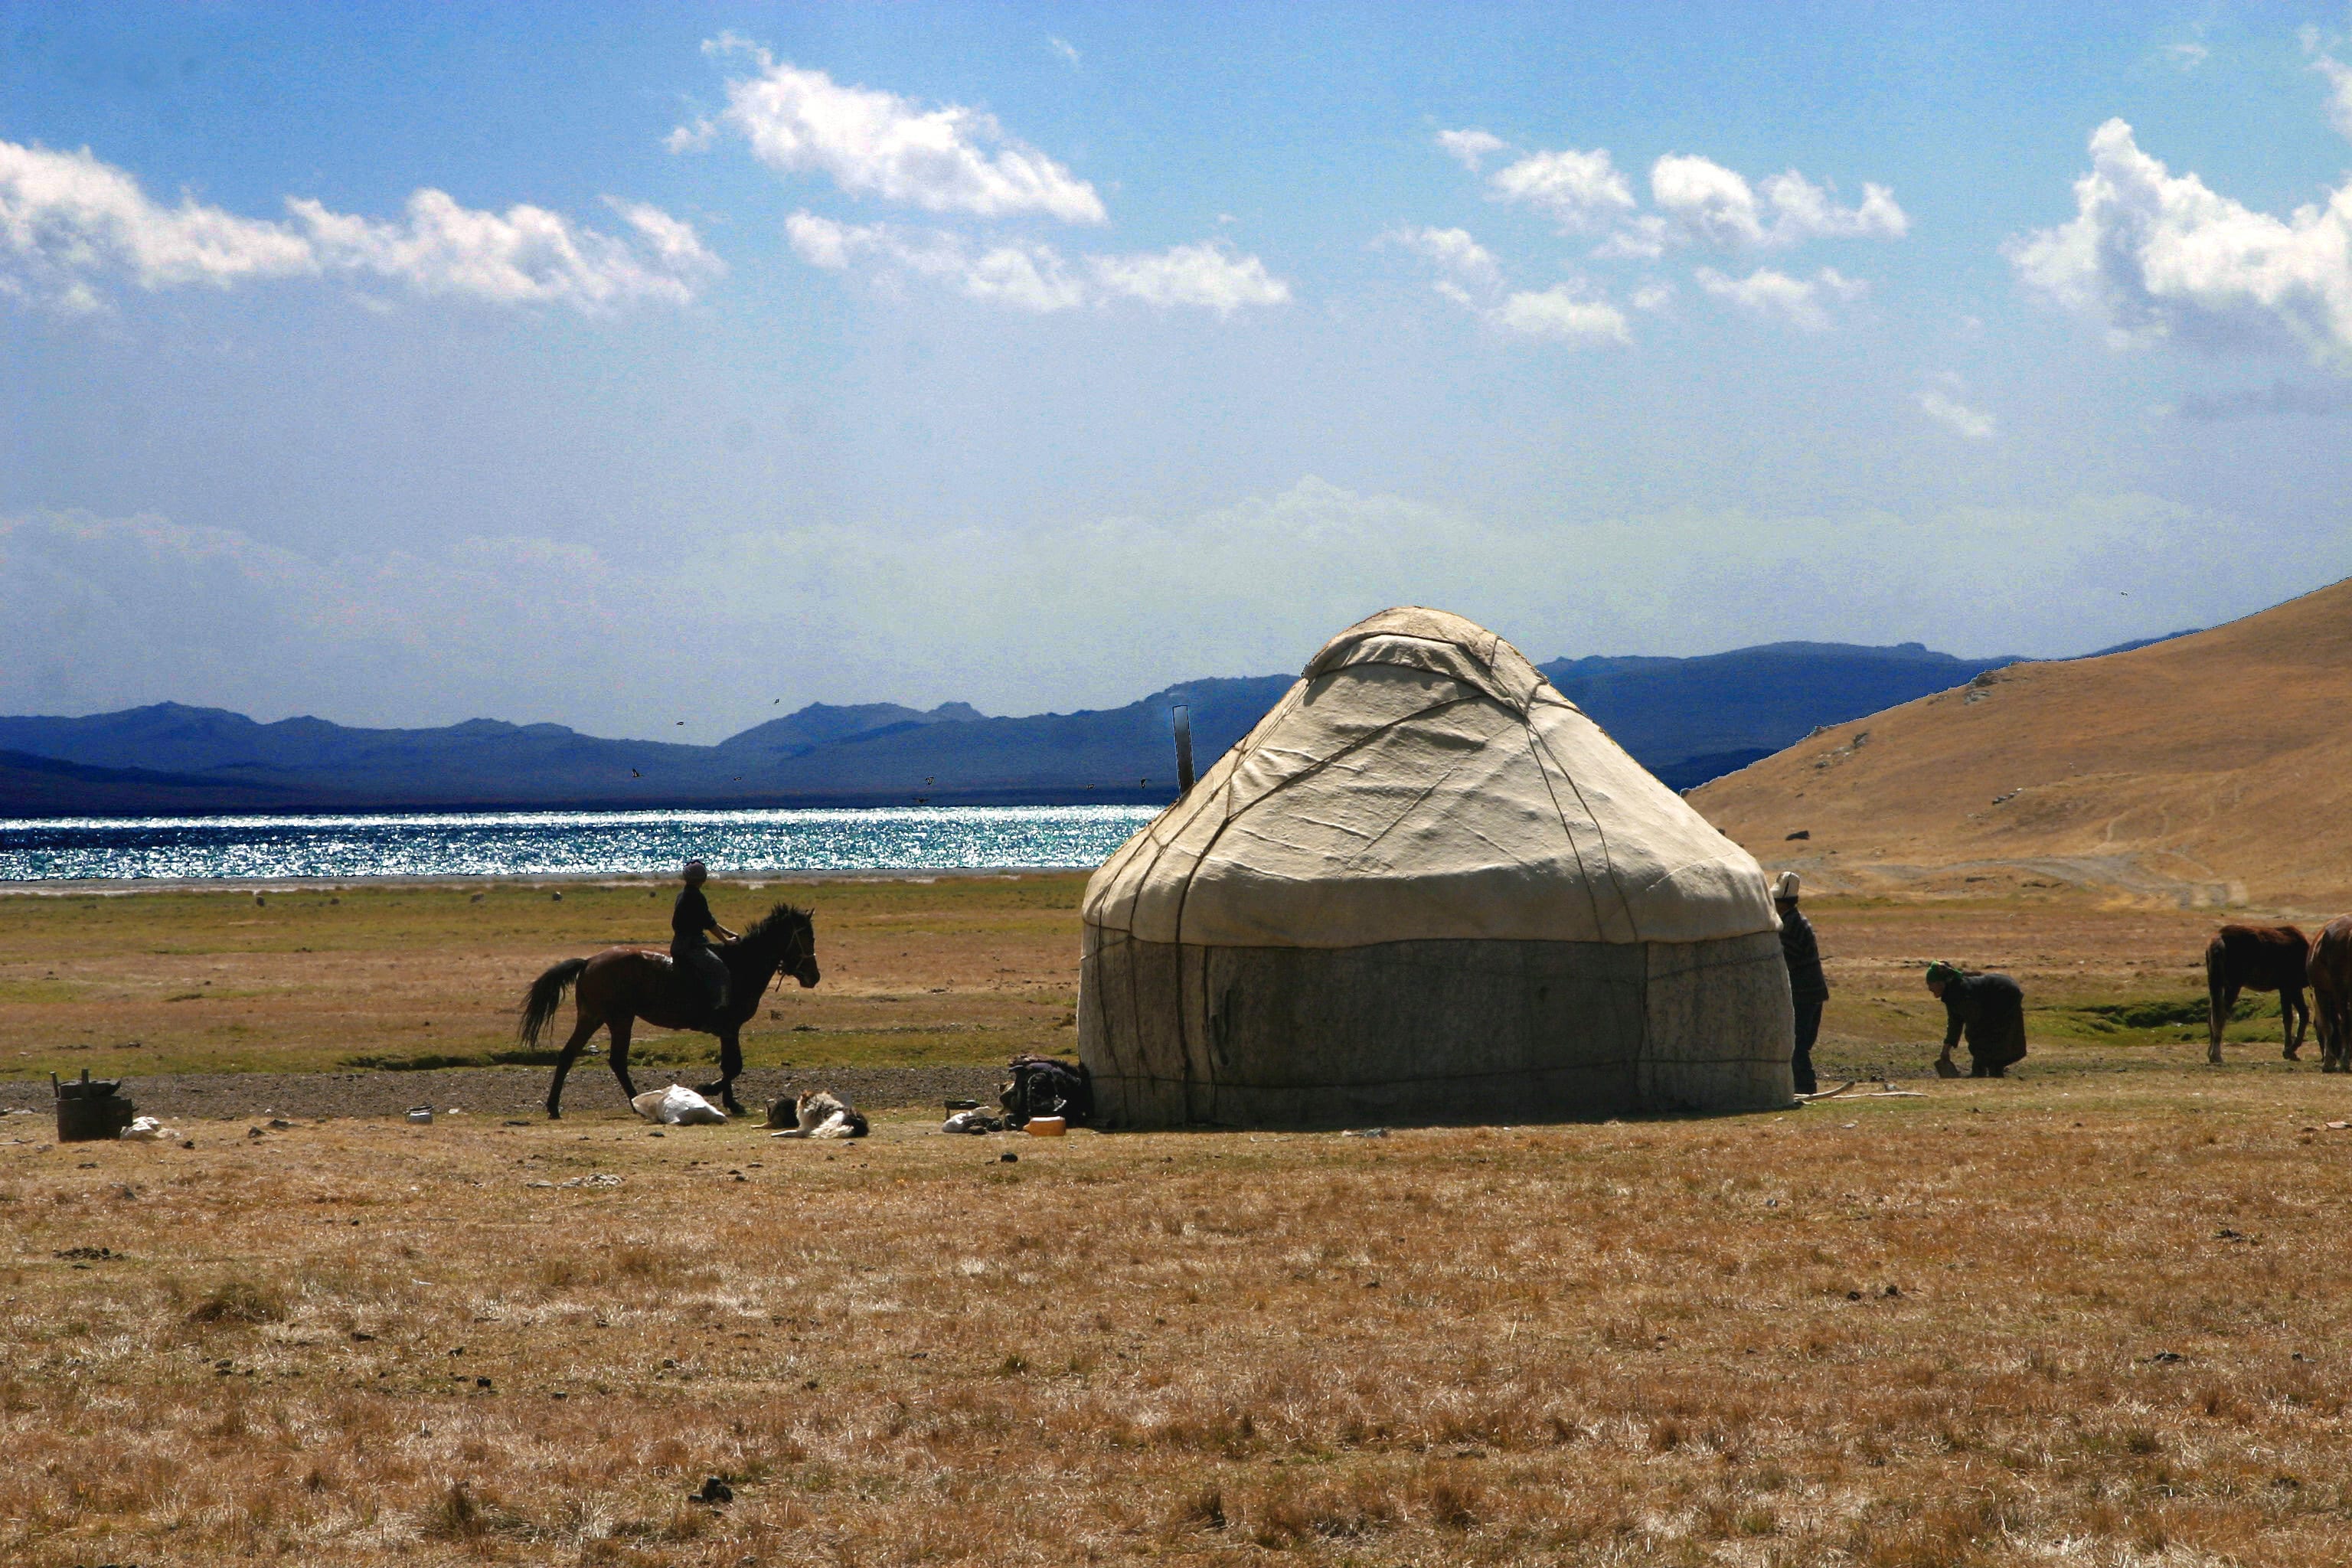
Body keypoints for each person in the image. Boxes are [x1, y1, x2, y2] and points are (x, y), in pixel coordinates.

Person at [1773, 871, 1828, 1094]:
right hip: (1813, 991)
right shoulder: (1796, 920)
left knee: (1798, 1044)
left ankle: (1805, 1088)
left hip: (1804, 992)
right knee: (1801, 1043)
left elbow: (1788, 961)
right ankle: (1803, 1086)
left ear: (1782, 903)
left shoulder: (1789, 925)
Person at [1926, 960, 2027, 1077]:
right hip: (2001, 992)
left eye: (1930, 984)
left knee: (1987, 1033)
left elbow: (1977, 1023)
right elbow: (1955, 1022)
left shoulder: (1960, 992)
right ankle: (1986, 1069)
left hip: (2003, 992)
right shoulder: (1951, 994)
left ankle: (1989, 1070)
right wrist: (1946, 1049)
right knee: (1981, 1034)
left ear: (1941, 983)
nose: (1929, 988)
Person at [671, 860, 737, 1017]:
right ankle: (719, 1009)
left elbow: (708, 920)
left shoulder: (683, 894)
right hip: (691, 945)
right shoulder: (696, 897)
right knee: (720, 970)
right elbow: (709, 923)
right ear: (703, 879)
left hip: (680, 943)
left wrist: (728, 932)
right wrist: (726, 941)